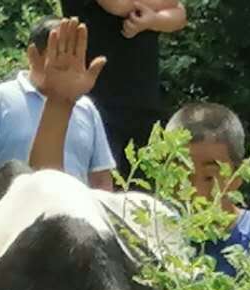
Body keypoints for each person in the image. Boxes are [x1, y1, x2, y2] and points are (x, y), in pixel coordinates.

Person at [0, 16, 114, 189]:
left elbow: (100, 177)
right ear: (33, 54)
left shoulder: (85, 108)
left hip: (75, 211)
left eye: (76, 54)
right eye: (59, 53)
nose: (70, 62)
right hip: (12, 211)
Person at [59, 0, 186, 175]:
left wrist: (153, 20)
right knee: (97, 188)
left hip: (143, 100)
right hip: (92, 102)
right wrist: (162, 8)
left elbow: (179, 15)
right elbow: (118, 5)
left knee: (141, 192)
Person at [165, 102, 250, 275]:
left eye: (209, 177)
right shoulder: (150, 240)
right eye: (181, 177)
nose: (194, 191)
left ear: (238, 176)